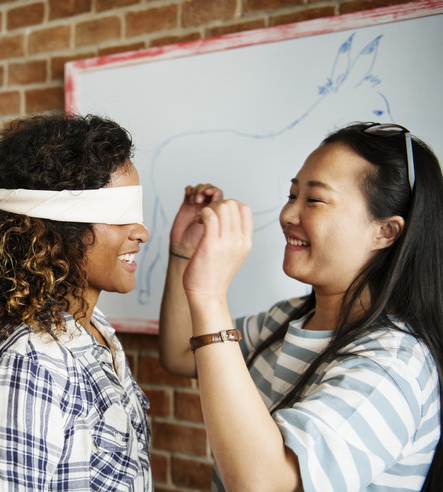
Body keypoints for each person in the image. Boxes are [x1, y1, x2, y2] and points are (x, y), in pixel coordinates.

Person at [159, 122, 443, 491]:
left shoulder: (392, 365)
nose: (288, 215)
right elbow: (180, 353)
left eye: (314, 200)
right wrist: (183, 252)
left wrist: (211, 295)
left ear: (385, 232)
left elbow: (265, 485)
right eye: (293, 195)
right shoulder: (288, 318)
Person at [0, 113, 152, 491]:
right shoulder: (30, 365)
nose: (141, 231)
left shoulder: (97, 332)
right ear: (56, 227)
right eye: (120, 214)